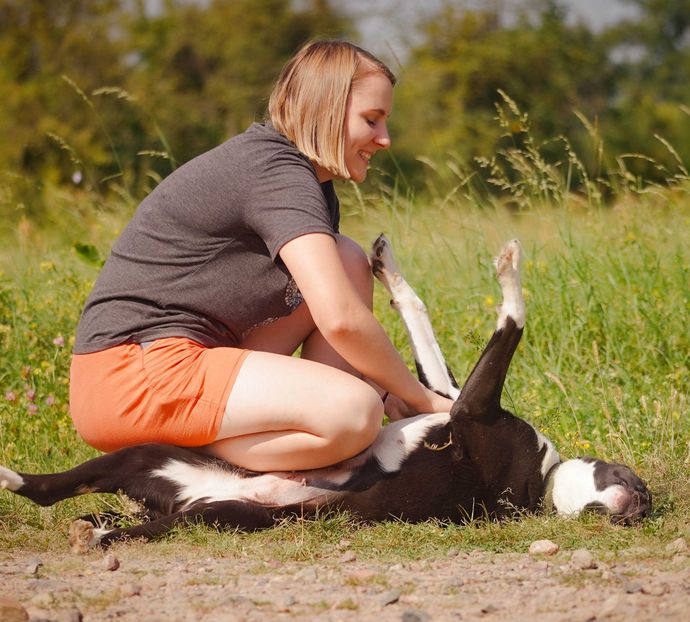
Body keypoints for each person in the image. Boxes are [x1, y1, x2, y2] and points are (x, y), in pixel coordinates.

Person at [69, 40, 454, 473]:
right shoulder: (275, 172)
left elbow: (333, 301)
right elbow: (340, 318)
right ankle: (172, 464)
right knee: (354, 414)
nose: (384, 140)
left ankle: (324, 454)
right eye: (371, 120)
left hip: (187, 360)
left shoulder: (308, 183)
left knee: (344, 260)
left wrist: (388, 394)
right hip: (131, 374)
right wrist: (422, 399)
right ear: (325, 108)